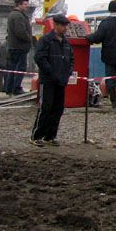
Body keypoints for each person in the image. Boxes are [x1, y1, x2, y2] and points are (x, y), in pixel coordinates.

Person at [30, 15, 75, 146]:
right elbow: (39, 58)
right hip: (48, 80)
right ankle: (36, 135)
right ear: (55, 25)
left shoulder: (66, 43)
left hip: (61, 81)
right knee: (46, 107)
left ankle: (50, 136)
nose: (65, 28)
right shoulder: (45, 40)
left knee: (58, 109)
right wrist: (51, 71)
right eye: (63, 25)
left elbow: (71, 59)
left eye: (66, 25)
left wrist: (68, 72)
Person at [4, 0, 33, 95]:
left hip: (12, 46)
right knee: (20, 68)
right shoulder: (19, 16)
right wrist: (30, 40)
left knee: (11, 68)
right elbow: (20, 31)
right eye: (25, 4)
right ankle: (16, 88)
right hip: (20, 46)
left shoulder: (12, 15)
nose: (26, 7)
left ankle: (9, 88)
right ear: (19, 4)